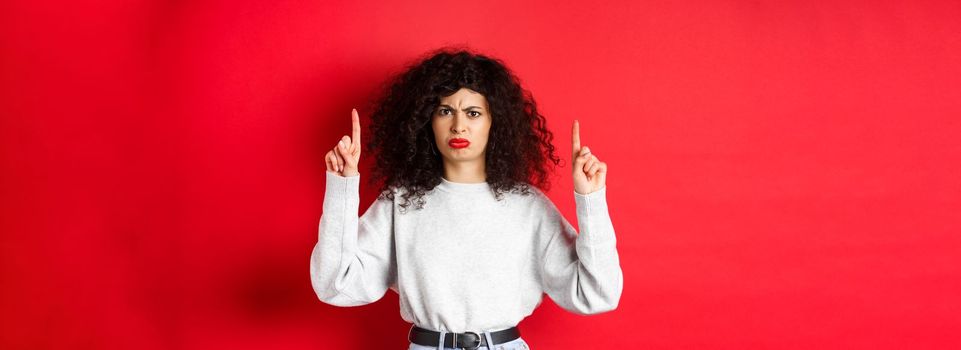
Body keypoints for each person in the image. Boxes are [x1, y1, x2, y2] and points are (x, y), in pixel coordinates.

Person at [310, 48, 623, 350]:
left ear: (494, 122)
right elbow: (335, 285)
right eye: (445, 111)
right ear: (427, 121)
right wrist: (342, 188)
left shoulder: (528, 207)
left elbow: (597, 294)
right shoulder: (401, 202)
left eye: (473, 113)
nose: (458, 125)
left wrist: (590, 199)